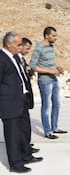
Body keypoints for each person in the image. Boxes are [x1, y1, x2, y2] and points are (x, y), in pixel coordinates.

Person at [0, 31, 42, 173]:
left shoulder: (14, 57)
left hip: (21, 100)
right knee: (12, 136)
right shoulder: (1, 59)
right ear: (8, 44)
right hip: (9, 104)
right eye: (18, 45)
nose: (20, 47)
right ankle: (15, 164)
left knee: (24, 130)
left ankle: (26, 155)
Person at [29, 26, 67, 140]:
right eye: (53, 36)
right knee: (46, 106)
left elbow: (47, 63)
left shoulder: (51, 47)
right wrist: (50, 71)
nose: (56, 38)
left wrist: (57, 68)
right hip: (45, 81)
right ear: (46, 36)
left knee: (57, 104)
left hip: (54, 79)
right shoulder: (39, 48)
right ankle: (47, 131)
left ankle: (55, 127)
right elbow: (33, 66)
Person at [18, 37, 40, 154]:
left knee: (26, 124)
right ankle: (24, 148)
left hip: (25, 97)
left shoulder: (22, 60)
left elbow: (28, 73)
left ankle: (26, 145)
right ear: (20, 46)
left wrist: (29, 70)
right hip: (18, 98)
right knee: (22, 126)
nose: (27, 51)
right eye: (26, 49)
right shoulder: (15, 60)